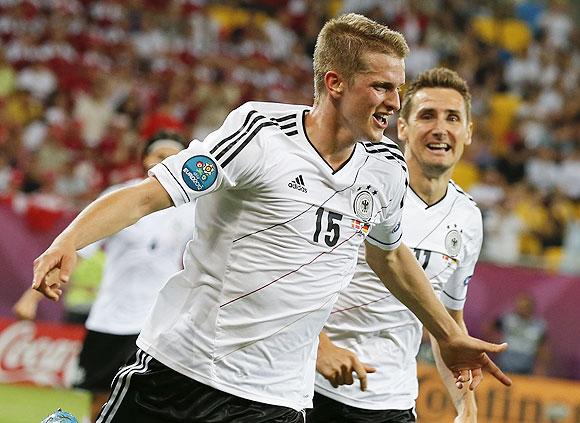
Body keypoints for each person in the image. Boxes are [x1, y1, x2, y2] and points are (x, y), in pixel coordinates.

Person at [31, 14, 510, 423]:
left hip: (279, 397)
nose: (392, 101)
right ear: (335, 82)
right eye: (381, 86)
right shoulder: (260, 134)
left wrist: (448, 336)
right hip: (186, 368)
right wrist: (69, 241)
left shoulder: (385, 169)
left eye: (398, 88)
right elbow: (147, 196)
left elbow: (389, 256)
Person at [310, 67, 483, 423]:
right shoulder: (357, 183)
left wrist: (467, 406)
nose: (440, 128)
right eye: (426, 116)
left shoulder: (468, 218)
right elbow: (295, 278)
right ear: (402, 127)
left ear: (467, 132)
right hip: (312, 387)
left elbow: (447, 323)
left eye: (453, 118)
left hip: (394, 402)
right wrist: (320, 348)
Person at [15, 131, 194, 422]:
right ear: (147, 159)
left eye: (175, 158)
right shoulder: (120, 198)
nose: (168, 163)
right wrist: (30, 297)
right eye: (162, 157)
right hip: (110, 319)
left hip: (157, 323)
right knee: (101, 400)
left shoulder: (191, 209)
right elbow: (75, 247)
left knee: (151, 405)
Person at [487, 293, 549, 375]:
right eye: (520, 306)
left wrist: (541, 366)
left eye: (525, 307)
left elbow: (543, 347)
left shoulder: (538, 326)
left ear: (531, 308)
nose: (522, 309)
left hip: (526, 363)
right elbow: (489, 328)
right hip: (506, 361)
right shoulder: (508, 319)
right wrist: (494, 345)